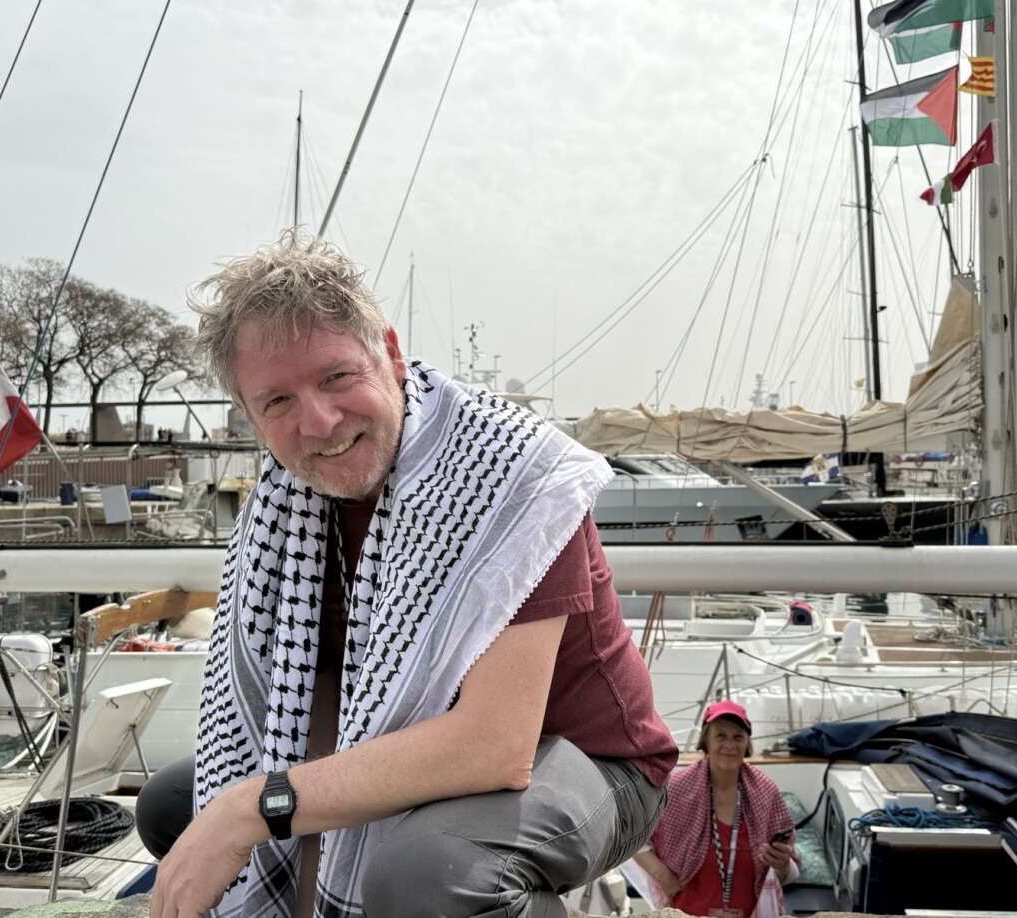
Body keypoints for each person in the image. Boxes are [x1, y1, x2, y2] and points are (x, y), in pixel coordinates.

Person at [134, 231, 677, 918]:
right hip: (398, 738)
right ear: (249, 415)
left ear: (389, 355)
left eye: (337, 376)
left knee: (427, 874)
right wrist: (241, 810)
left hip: (591, 760)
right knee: (173, 809)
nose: (320, 421)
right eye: (278, 402)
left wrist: (255, 807)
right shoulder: (285, 510)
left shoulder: (510, 480)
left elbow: (495, 747)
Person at [633, 700, 797, 918]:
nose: (730, 745)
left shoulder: (766, 792)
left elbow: (789, 873)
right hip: (686, 914)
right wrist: (661, 874)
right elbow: (635, 837)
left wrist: (783, 864)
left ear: (747, 743)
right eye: (721, 736)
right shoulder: (677, 787)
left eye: (738, 737)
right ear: (706, 741)